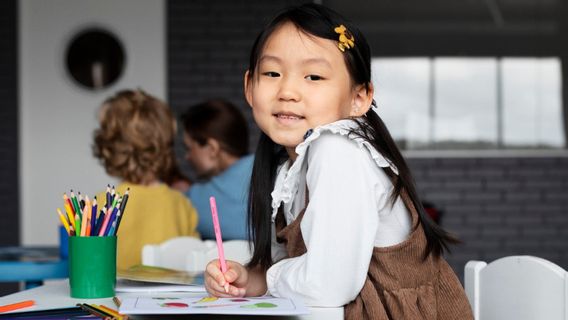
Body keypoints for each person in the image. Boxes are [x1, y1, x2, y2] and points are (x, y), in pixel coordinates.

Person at [204, 4, 473, 319]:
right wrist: (246, 279)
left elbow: (328, 284)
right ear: (249, 87)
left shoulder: (337, 150)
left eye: (314, 76)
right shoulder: (288, 169)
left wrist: (272, 276)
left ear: (359, 98)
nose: (288, 91)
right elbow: (299, 275)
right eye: (272, 73)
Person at [93, 89, 199, 270]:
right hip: (168, 297)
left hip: (114, 297)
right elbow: (194, 262)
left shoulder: (103, 205)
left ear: (109, 149)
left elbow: (91, 264)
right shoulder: (181, 204)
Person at [178, 100, 254, 240]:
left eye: (189, 148)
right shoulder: (272, 171)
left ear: (212, 148)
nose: (187, 157)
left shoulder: (196, 199)